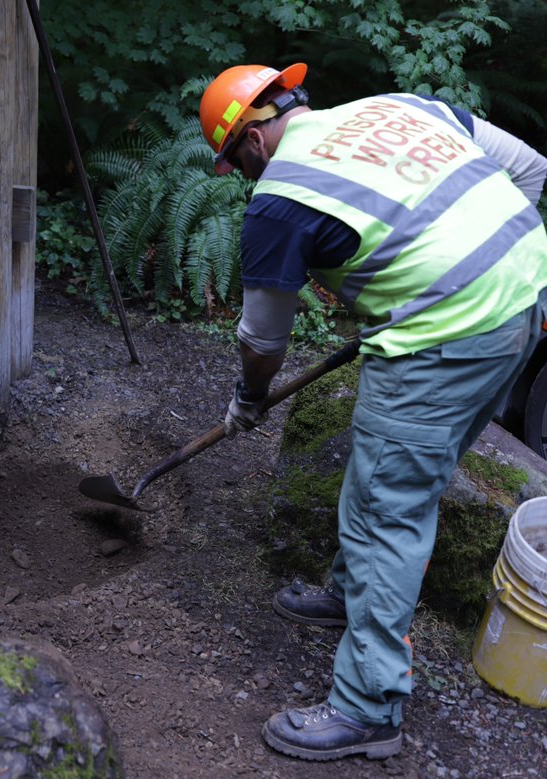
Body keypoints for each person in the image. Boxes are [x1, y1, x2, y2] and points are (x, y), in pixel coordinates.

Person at [199, 64, 547, 761]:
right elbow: (532, 169)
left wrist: (249, 400)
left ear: (252, 145)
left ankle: (368, 706)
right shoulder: (399, 108)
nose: (244, 177)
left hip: (450, 331)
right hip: (524, 300)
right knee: (404, 472)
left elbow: (263, 341)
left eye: (236, 163)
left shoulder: (277, 198)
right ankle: (352, 592)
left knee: (388, 507)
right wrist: (466, 269)